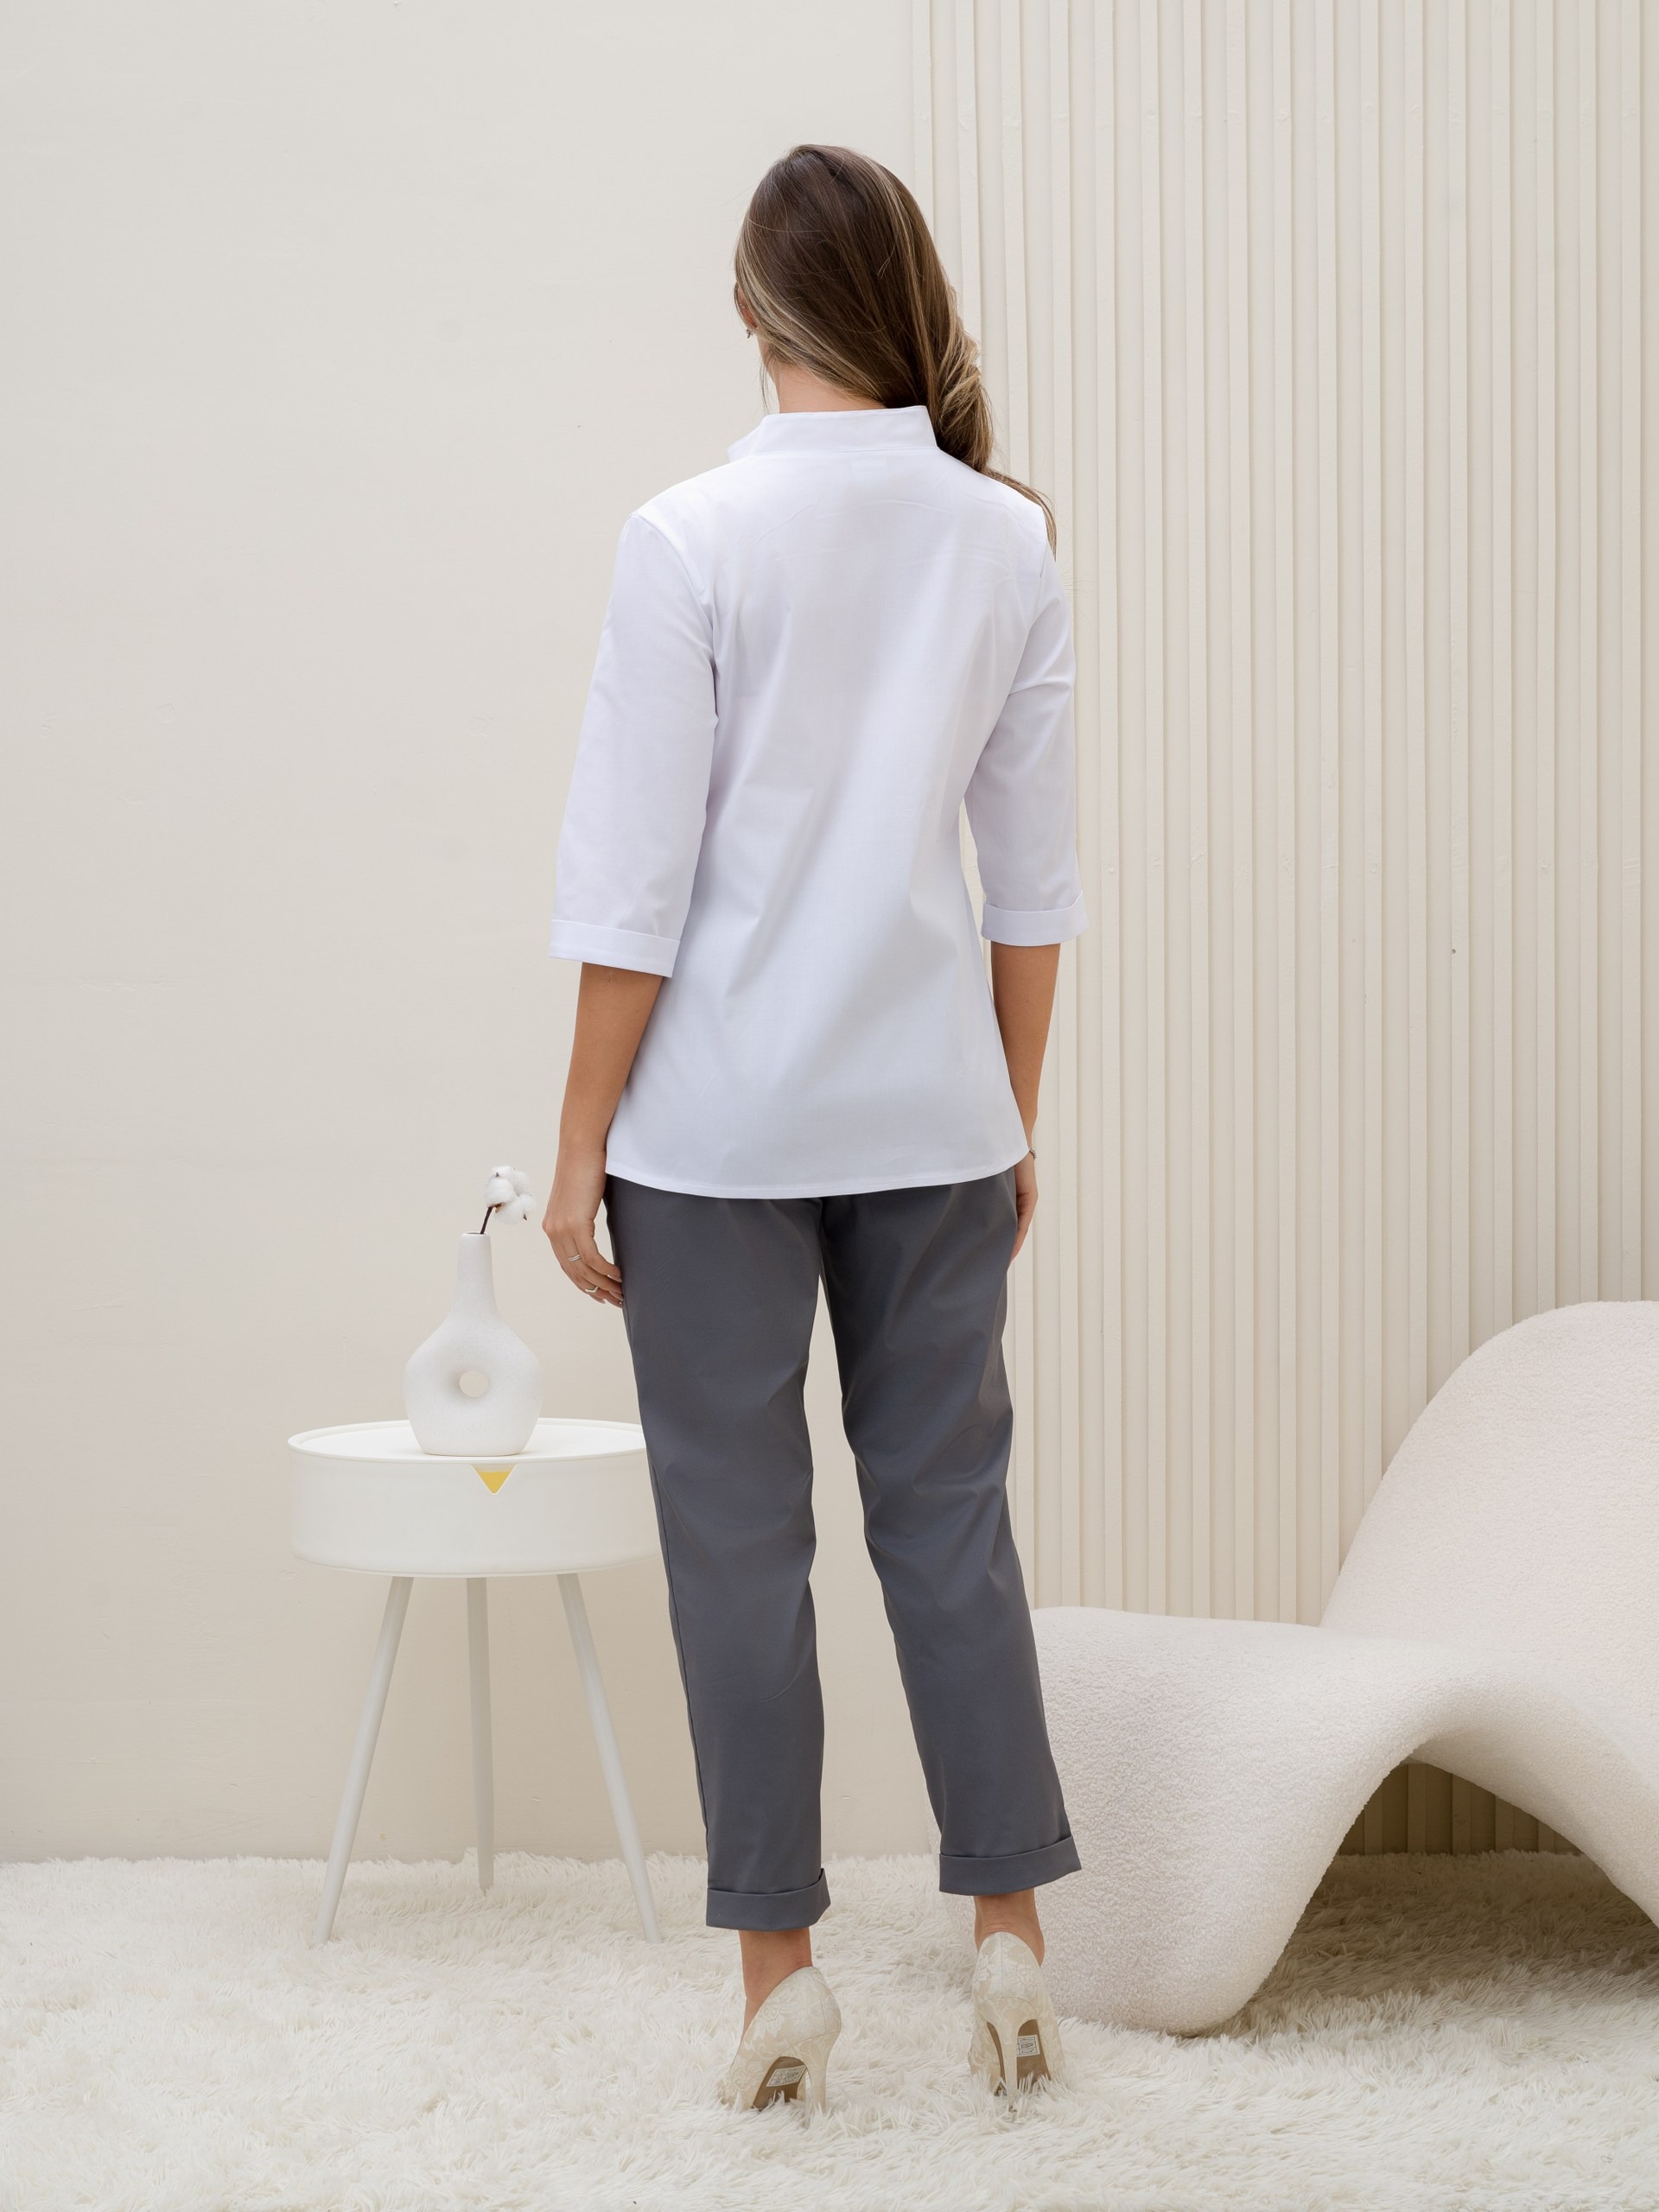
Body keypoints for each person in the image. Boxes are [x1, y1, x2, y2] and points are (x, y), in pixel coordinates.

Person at [543, 143, 1085, 2111]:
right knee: (949, 1523)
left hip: (715, 1137)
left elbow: (633, 885)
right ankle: (1010, 1937)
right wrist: (1012, 1118)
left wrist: (579, 1144)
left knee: (738, 1547)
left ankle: (780, 1973)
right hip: (932, 1113)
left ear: (754, 313)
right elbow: (1033, 888)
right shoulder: (1005, 538)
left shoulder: (685, 537)